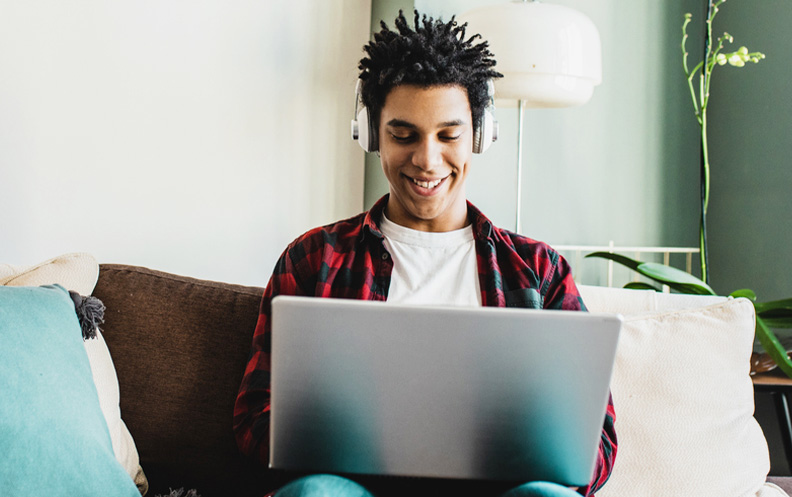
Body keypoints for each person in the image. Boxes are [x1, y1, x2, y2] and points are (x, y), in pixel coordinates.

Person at [233, 10, 616, 497]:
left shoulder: (539, 272)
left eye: (449, 135)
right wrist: (340, 438)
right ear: (371, 134)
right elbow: (251, 421)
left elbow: (597, 446)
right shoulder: (313, 258)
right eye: (403, 134)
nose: (427, 160)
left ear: (480, 133)